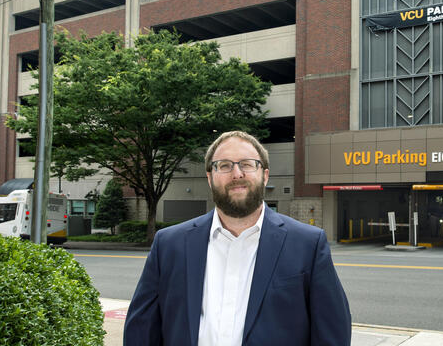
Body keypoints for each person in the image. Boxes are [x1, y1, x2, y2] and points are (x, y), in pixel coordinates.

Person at [124, 130, 351, 346]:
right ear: (210, 178)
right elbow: (141, 330)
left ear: (265, 175)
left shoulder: (308, 245)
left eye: (247, 164)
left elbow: (332, 334)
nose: (237, 174)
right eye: (224, 166)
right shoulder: (169, 245)